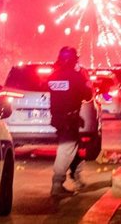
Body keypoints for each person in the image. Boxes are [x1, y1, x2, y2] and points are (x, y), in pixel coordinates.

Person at [48, 46, 92, 197]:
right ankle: (57, 184)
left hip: (58, 118)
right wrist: (86, 81)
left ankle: (76, 175)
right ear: (73, 60)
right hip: (69, 118)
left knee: (72, 147)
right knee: (67, 149)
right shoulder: (75, 76)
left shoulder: (54, 76)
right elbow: (87, 95)